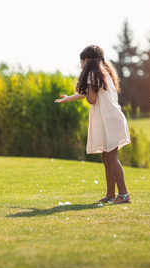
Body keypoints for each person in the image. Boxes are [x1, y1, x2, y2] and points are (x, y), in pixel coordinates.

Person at [55, 45, 131, 204]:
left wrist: (87, 90)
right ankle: (110, 195)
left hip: (109, 121)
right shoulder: (105, 73)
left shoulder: (91, 74)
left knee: (111, 158)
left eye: (81, 61)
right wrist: (68, 98)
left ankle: (123, 195)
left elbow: (91, 99)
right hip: (112, 119)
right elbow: (88, 94)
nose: (81, 65)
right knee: (106, 158)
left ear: (87, 60)